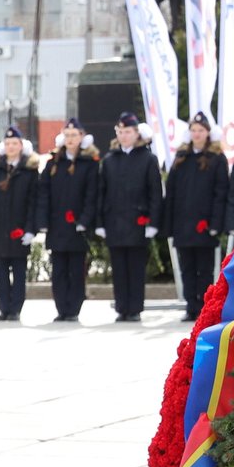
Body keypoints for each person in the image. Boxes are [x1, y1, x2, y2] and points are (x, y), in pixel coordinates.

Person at [97, 112, 164, 322]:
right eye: (120, 131)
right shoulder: (110, 160)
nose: (124, 136)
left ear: (137, 133)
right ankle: (121, 307)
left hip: (137, 222)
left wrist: (153, 221)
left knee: (135, 267)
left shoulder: (148, 158)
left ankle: (134, 308)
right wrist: (100, 222)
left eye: (128, 131)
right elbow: (102, 192)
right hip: (115, 222)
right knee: (118, 267)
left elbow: (155, 192)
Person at [164, 112, 229, 322]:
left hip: (205, 225)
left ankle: (204, 308)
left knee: (205, 269)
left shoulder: (216, 159)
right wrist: (170, 223)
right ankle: (191, 306)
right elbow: (171, 191)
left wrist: (215, 223)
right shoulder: (181, 158)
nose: (197, 134)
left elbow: (221, 193)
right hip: (183, 224)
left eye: (201, 130)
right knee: (187, 268)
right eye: (193, 130)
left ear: (208, 133)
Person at [38, 119, 99, 322]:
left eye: (74, 135)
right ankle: (61, 308)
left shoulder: (89, 163)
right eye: (67, 135)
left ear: (82, 137)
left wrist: (85, 220)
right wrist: (44, 220)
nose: (70, 139)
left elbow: (92, 194)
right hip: (57, 225)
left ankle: (73, 309)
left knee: (76, 269)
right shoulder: (54, 162)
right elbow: (43, 193)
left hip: (77, 226)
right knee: (59, 270)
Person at [0, 125, 40, 322]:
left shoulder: (29, 171)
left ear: (21, 146)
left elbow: (33, 202)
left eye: (15, 143)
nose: (11, 147)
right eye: (8, 143)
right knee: (1, 272)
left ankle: (15, 309)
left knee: (19, 272)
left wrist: (31, 229)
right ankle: (4, 308)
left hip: (19, 230)